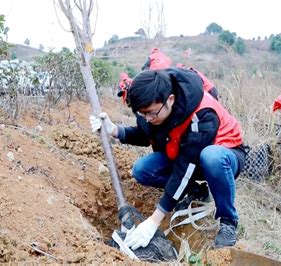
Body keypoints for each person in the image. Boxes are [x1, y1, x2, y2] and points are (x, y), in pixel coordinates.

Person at [90, 68, 246, 250]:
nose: (147, 118)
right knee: (141, 170)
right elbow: (145, 134)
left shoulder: (202, 115)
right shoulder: (154, 108)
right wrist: (115, 130)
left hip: (224, 155)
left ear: (170, 100)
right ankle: (197, 191)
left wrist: (154, 221)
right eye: (142, 114)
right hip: (182, 153)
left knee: (212, 157)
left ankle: (228, 221)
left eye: (151, 113)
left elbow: (185, 168)